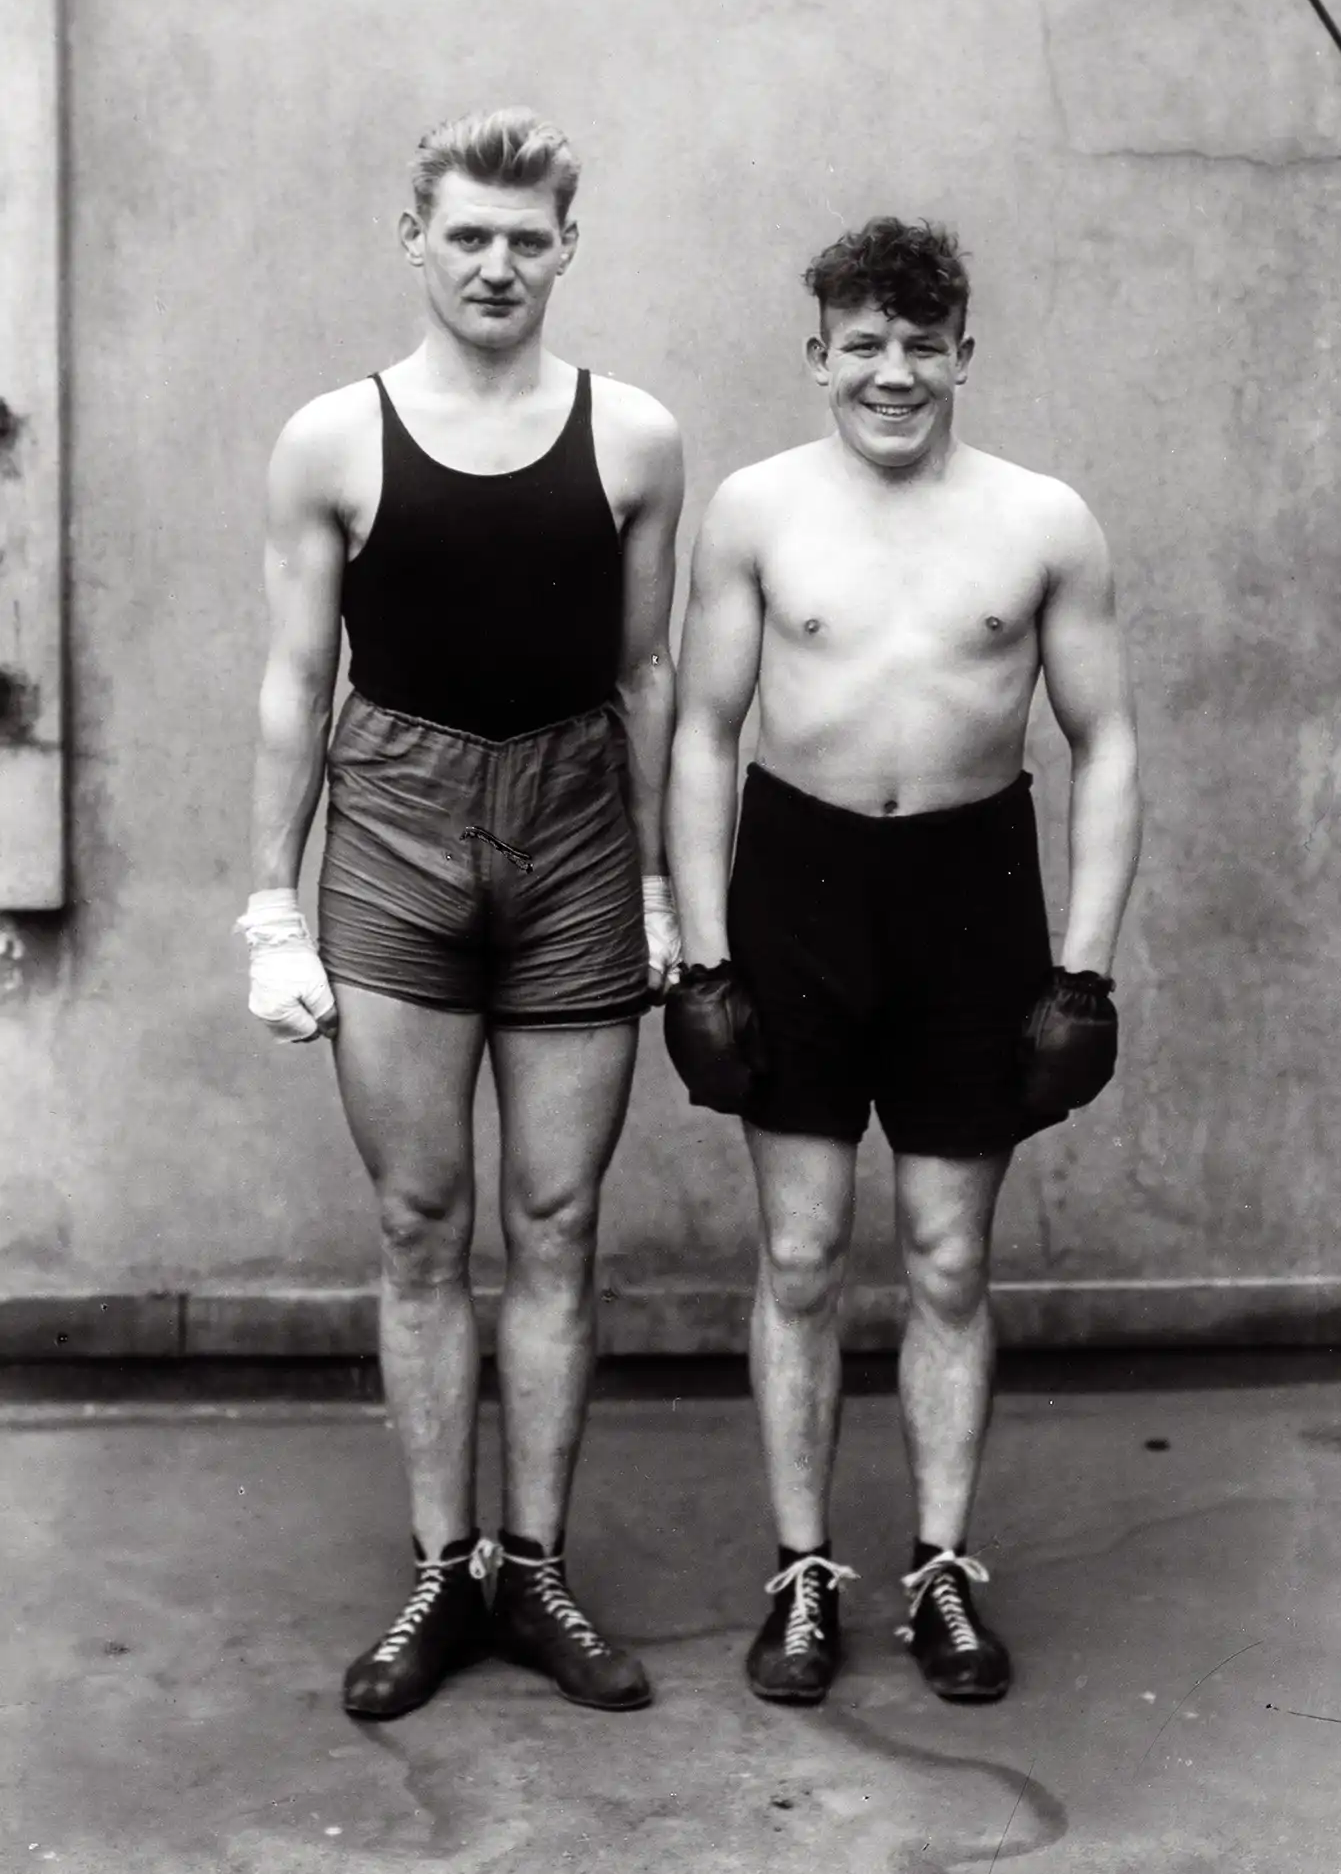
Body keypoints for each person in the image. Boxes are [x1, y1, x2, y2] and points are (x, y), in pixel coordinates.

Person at [239, 108, 684, 1718]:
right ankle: (442, 1571)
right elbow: (298, 681)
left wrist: (656, 883)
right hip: (399, 830)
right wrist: (266, 910)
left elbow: (641, 678)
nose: (496, 262)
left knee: (558, 1222)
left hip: (571, 831)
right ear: (412, 237)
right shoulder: (332, 440)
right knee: (423, 1220)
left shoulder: (632, 435)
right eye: (467, 234)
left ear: (568, 245)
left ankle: (535, 1565)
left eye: (526, 235)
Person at [664, 216, 1141, 1707]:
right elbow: (698, 734)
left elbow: (1105, 742)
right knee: (800, 1253)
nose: (891, 371)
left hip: (969, 894)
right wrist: (700, 954)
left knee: (947, 1255)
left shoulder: (1042, 520)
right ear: (817, 355)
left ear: (961, 356)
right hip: (797, 888)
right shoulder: (751, 511)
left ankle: (939, 1570)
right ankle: (802, 1573)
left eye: (919, 345)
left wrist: (1083, 973)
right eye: (861, 343)